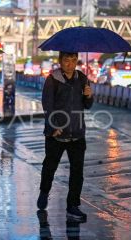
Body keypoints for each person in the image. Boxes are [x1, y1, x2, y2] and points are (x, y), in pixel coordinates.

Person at [37, 52, 93, 222]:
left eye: (73, 60)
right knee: (50, 166)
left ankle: (72, 206)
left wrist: (89, 95)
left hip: (77, 133)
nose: (70, 64)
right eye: (66, 60)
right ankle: (44, 192)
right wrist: (53, 126)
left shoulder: (82, 78)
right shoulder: (52, 79)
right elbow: (47, 104)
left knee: (77, 172)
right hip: (57, 133)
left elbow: (87, 105)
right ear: (60, 61)